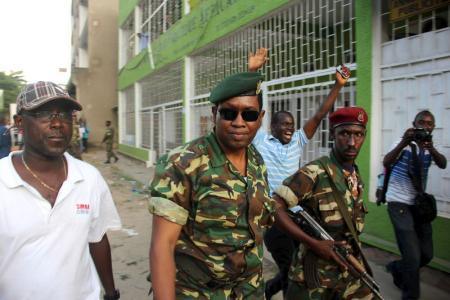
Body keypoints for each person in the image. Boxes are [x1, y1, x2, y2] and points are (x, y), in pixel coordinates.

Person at [148, 72, 275, 299]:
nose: (238, 122)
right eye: (228, 113)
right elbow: (162, 245)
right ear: (214, 113)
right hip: (199, 291)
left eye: (249, 114)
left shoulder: (256, 160)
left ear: (261, 117)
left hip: (249, 289)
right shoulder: (183, 163)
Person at [0, 81, 122, 300]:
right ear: (19, 123)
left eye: (66, 115)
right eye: (44, 114)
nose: (58, 123)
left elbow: (97, 239)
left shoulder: (89, 178)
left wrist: (111, 293)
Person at [248, 48, 351, 298]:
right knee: (288, 266)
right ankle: (278, 291)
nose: (289, 129)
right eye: (284, 124)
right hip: (273, 216)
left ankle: (269, 290)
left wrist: (337, 86)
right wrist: (252, 73)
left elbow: (319, 114)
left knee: (299, 264)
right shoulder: (261, 140)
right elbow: (253, 108)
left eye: (291, 125)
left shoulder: (297, 140)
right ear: (272, 125)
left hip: (299, 213)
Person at [273, 107, 374, 299]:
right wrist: (312, 242)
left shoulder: (354, 174)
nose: (352, 142)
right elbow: (274, 207)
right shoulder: (314, 172)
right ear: (333, 135)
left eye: (358, 135)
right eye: (345, 134)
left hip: (348, 268)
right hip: (313, 278)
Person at [383, 110, 446, 300]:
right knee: (412, 256)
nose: (425, 126)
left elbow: (442, 164)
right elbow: (386, 161)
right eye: (421, 122)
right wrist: (404, 141)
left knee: (426, 254)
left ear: (433, 127)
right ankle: (410, 295)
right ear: (414, 124)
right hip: (398, 203)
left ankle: (397, 268)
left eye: (429, 123)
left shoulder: (428, 148)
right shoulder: (402, 144)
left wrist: (432, 148)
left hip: (418, 206)